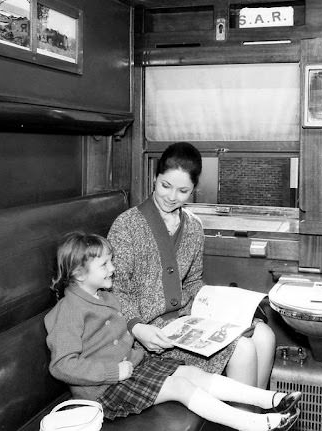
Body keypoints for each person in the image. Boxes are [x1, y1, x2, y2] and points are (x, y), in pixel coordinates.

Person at [44, 232, 301, 430]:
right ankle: (254, 425)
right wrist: (114, 371)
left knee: (192, 373)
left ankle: (271, 400)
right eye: (104, 265)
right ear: (78, 273)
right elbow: (63, 366)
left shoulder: (105, 297)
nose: (112, 268)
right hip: (105, 389)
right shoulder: (68, 311)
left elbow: (116, 338)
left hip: (134, 368)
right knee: (180, 387)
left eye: (111, 261)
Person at [107, 141, 276, 389]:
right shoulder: (126, 226)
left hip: (188, 321)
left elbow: (194, 282)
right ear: (155, 177)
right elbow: (116, 290)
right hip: (149, 334)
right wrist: (136, 327)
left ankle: (258, 416)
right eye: (166, 186)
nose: (172, 197)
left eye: (183, 191)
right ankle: (246, 420)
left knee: (265, 336)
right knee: (244, 350)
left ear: (193, 189)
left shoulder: (194, 226)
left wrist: (228, 309)